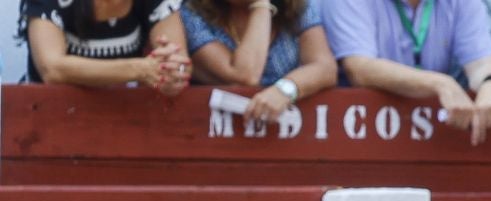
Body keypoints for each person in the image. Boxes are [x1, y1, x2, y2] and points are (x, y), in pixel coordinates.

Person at [324, 0, 491, 144]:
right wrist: (440, 84)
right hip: (358, 139)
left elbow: (482, 62)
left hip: (433, 144)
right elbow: (359, 68)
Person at [183, 0, 337, 124]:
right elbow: (246, 75)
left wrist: (284, 90)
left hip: (286, 133)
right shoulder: (192, 12)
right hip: (214, 136)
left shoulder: (298, 6)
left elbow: (325, 67)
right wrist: (261, 5)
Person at [20, 0, 191, 91]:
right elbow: (52, 69)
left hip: (126, 122)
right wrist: (140, 70)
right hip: (46, 122)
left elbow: (180, 62)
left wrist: (173, 75)